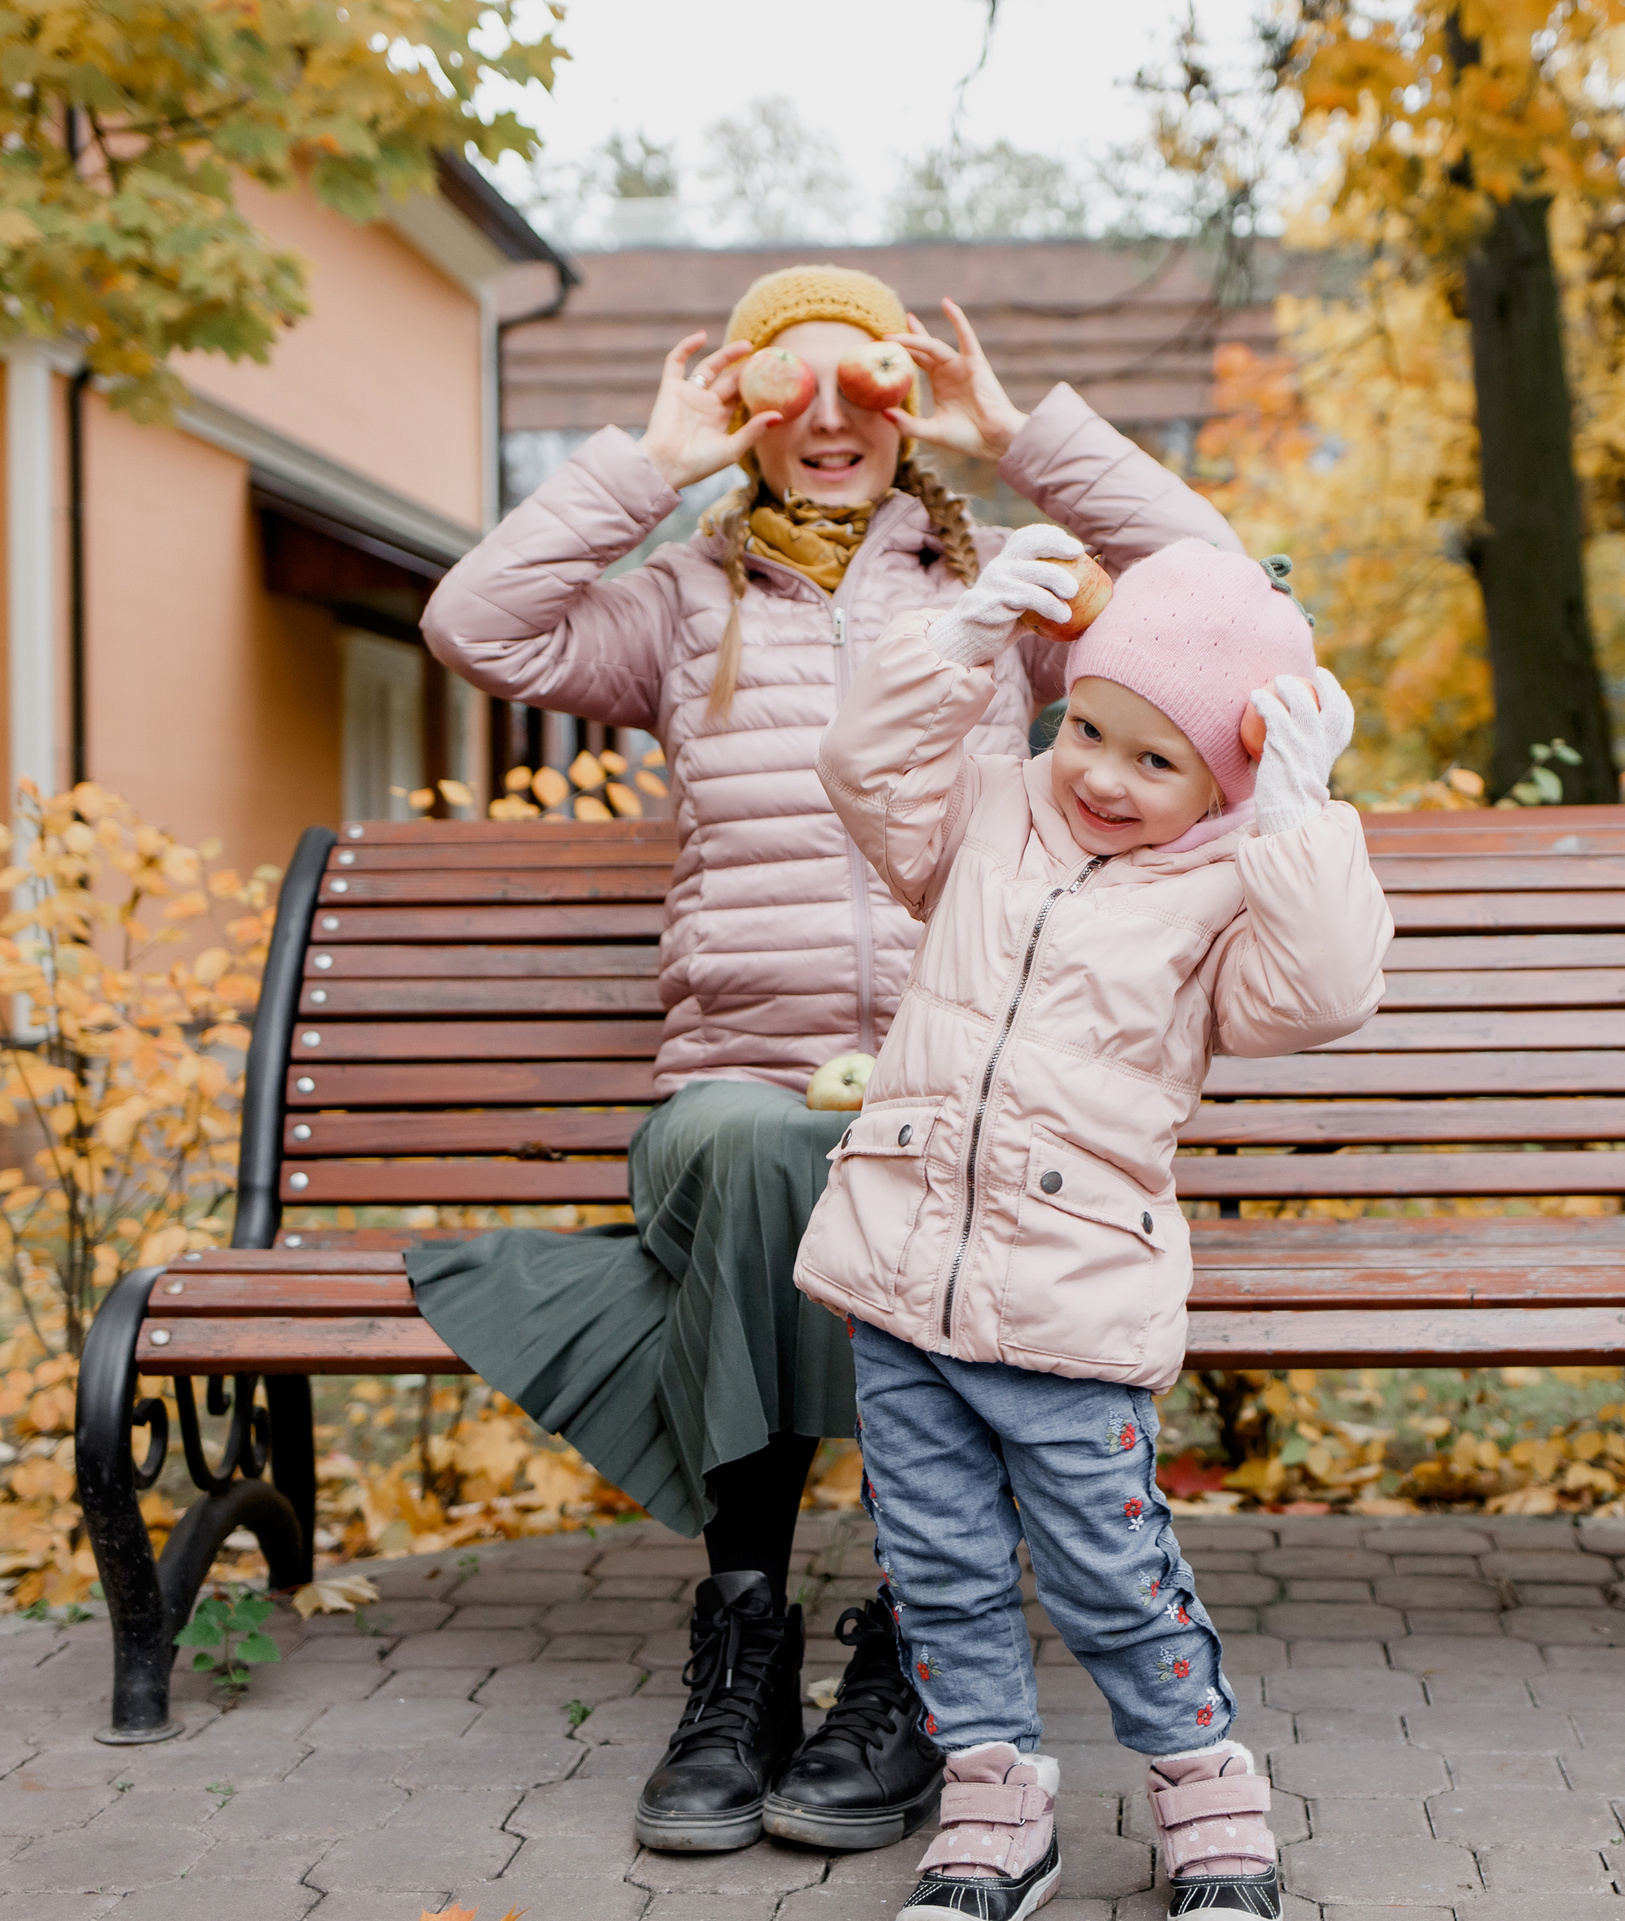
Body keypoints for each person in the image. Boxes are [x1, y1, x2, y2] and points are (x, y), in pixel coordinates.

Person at [410, 265, 1241, 1857]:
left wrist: (1015, 434)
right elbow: (474, 625)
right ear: (748, 416)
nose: (836, 424)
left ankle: (908, 1654)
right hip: (731, 1083)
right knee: (764, 1149)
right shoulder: (679, 602)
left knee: (901, 1173)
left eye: (867, 394)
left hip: (964, 1099)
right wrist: (649, 466)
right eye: (795, 399)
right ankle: (747, 1641)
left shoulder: (1005, 588)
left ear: (904, 403)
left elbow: (1206, 583)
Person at [797, 533, 1395, 1921]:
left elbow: (1319, 995)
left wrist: (1300, 820)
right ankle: (996, 1817)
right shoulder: (989, 817)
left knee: (1109, 1567)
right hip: (900, 1281)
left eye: (1155, 760)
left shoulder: (1229, 886)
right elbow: (864, 775)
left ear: (1227, 779)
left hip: (1070, 1298)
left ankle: (1211, 1810)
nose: (1101, 775)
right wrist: (954, 649)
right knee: (937, 1570)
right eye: (1089, 729)